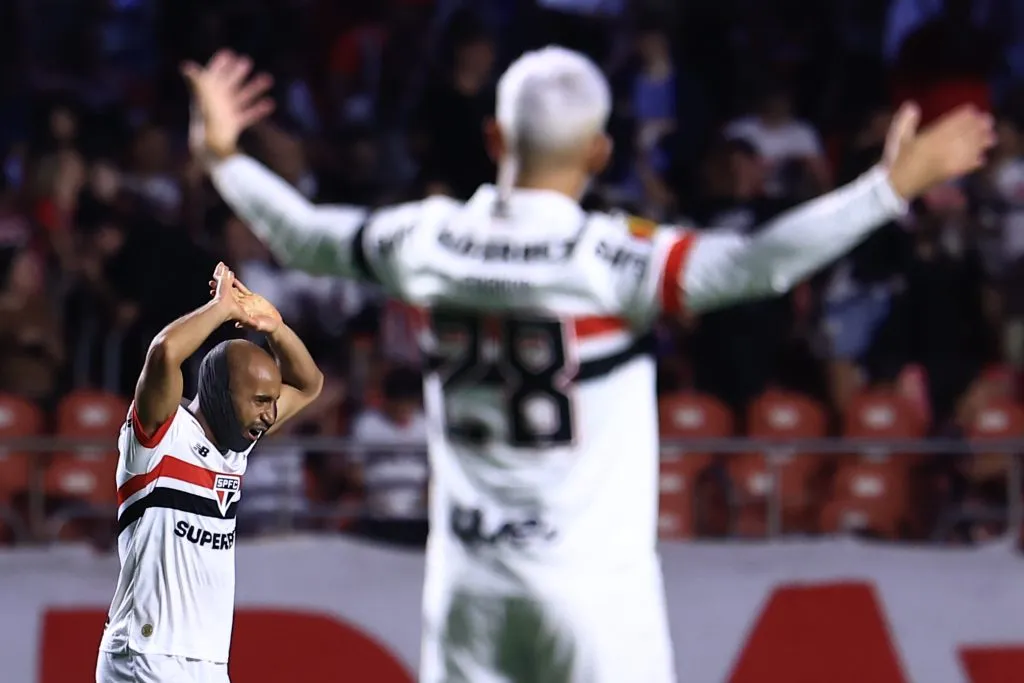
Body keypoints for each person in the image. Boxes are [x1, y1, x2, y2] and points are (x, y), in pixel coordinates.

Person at [183, 47, 993, 683]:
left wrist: (222, 157)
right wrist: (889, 187)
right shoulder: (614, 258)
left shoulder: (424, 240)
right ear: (601, 150)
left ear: (494, 139)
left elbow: (301, 232)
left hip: (471, 592)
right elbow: (761, 264)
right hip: (594, 597)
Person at [95, 262, 324, 683]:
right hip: (147, 655)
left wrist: (275, 328)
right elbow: (164, 352)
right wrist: (221, 307)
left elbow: (310, 385)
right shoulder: (160, 438)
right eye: (259, 400)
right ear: (219, 392)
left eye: (272, 401)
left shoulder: (237, 443)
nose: (270, 415)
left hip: (206, 663)